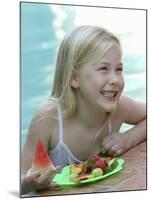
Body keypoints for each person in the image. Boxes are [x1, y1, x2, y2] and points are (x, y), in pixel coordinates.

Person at [21, 25, 146, 194]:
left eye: (119, 69)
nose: (115, 79)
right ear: (74, 78)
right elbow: (18, 180)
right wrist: (32, 182)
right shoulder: (48, 119)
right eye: (104, 69)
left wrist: (129, 138)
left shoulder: (119, 107)